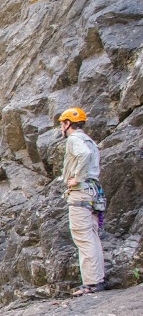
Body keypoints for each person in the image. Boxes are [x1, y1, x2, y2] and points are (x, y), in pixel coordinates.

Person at [59, 107, 105, 296]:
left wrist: (76, 178)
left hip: (81, 191)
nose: (61, 128)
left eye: (62, 124)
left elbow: (83, 155)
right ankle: (98, 279)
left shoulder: (74, 139)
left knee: (82, 236)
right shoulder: (90, 141)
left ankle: (91, 283)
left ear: (68, 123)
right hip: (93, 192)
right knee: (92, 235)